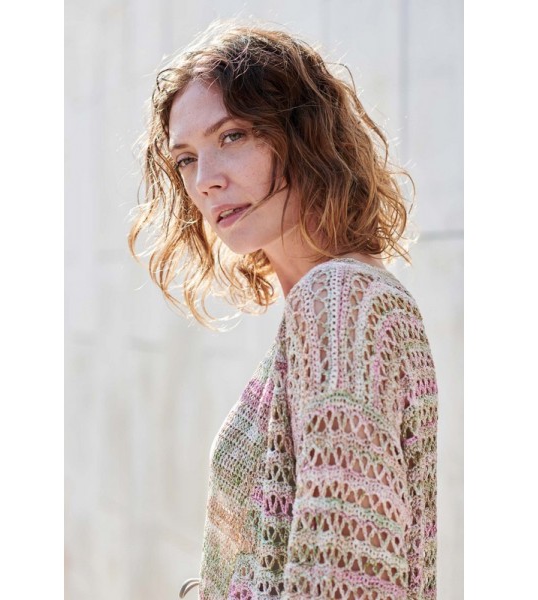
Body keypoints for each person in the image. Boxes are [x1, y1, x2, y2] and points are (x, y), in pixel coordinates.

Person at [128, 21, 438, 600]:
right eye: (186, 159)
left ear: (304, 134)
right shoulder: (349, 300)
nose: (206, 181)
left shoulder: (340, 303)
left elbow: (348, 577)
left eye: (233, 136)